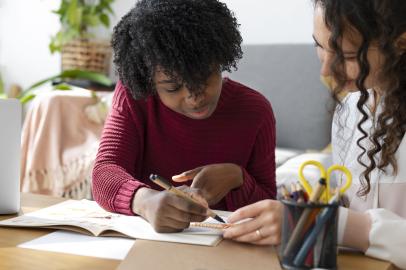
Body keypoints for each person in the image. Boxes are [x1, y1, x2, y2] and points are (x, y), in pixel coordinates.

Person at [223, 0, 406, 268]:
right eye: (320, 47)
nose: (325, 71)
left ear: (401, 44)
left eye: (348, 55)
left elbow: (355, 223)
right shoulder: (351, 109)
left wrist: (338, 224)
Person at [92, 0, 276, 233]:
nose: (193, 97)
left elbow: (270, 206)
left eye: (203, 78)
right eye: (172, 88)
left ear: (221, 59)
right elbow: (104, 172)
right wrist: (144, 201)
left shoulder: (256, 111)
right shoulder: (135, 97)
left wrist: (237, 177)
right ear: (150, 82)